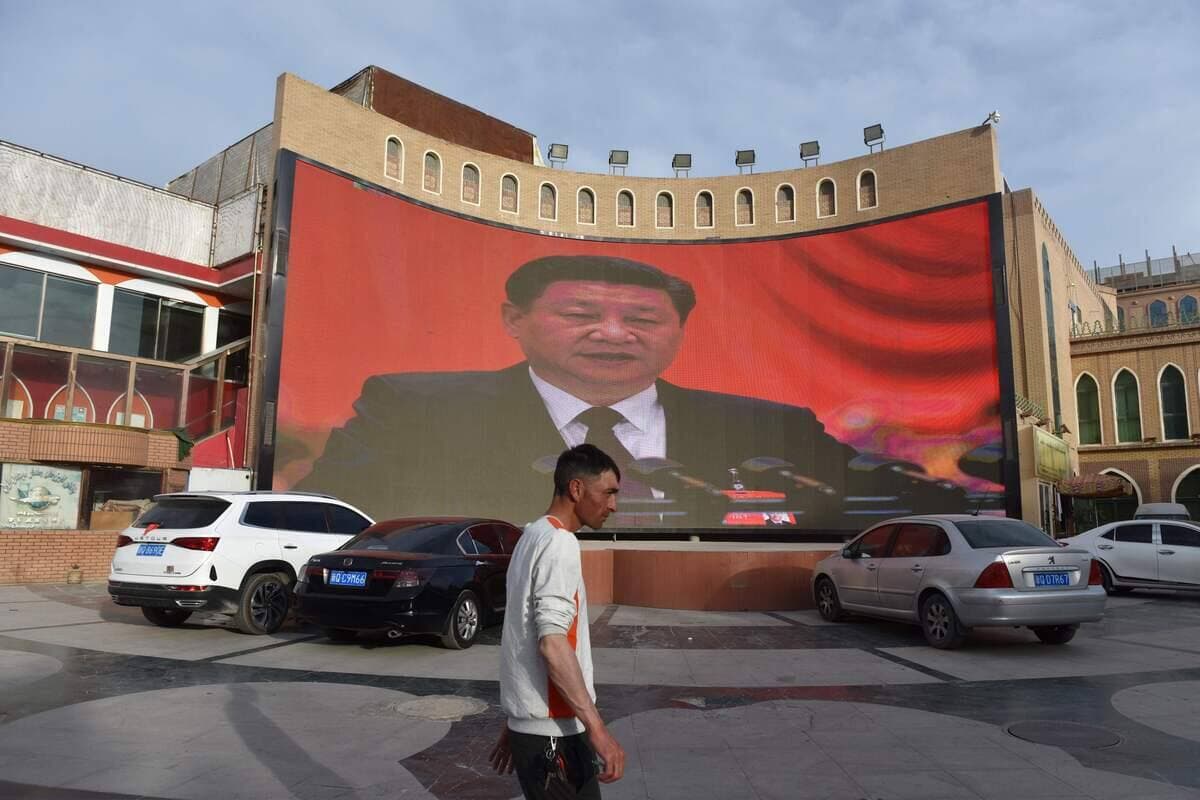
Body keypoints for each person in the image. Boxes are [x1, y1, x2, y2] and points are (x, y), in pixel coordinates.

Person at [296, 254, 967, 526]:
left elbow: (872, 499)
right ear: (514, 320)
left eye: (642, 319)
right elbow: (333, 513)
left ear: (679, 332)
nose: (614, 334)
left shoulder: (772, 426)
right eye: (581, 314)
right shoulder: (411, 408)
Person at [490, 444, 625, 798]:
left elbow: (521, 633)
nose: (613, 505)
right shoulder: (560, 543)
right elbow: (551, 643)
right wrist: (598, 730)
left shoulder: (532, 535)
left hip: (536, 730)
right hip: (555, 735)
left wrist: (519, 720)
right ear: (576, 488)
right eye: (608, 493)